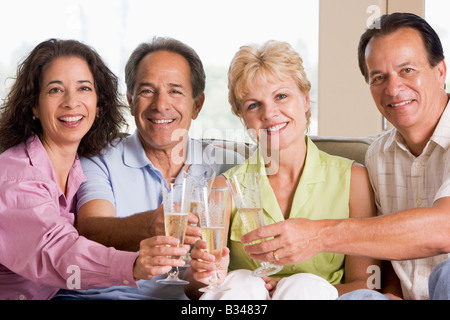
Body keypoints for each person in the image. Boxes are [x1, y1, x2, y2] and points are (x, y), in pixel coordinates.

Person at [238, 13, 450, 300]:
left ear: (441, 71)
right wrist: (389, 293)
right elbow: (385, 253)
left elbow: (443, 229)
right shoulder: (379, 156)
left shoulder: (352, 175)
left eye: (407, 70)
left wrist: (319, 235)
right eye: (379, 77)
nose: (393, 88)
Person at [185, 40, 380, 300]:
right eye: (254, 105)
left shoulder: (354, 181)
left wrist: (292, 290)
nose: (269, 113)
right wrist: (203, 274)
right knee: (242, 284)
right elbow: (196, 287)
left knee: (304, 287)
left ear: (305, 99)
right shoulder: (224, 188)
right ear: (243, 117)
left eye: (281, 96)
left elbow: (365, 286)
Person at [54, 37, 244, 300]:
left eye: (175, 91)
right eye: (147, 91)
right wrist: (150, 226)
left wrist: (208, 274)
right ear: (131, 101)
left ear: (197, 105)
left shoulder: (227, 166)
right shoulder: (98, 158)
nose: (160, 105)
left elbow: (202, 280)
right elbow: (92, 229)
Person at [0, 39, 189, 300]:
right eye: (56, 90)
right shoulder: (16, 175)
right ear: (33, 105)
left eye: (84, 88)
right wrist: (131, 265)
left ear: (99, 104)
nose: (71, 102)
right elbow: (56, 252)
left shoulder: (79, 168)